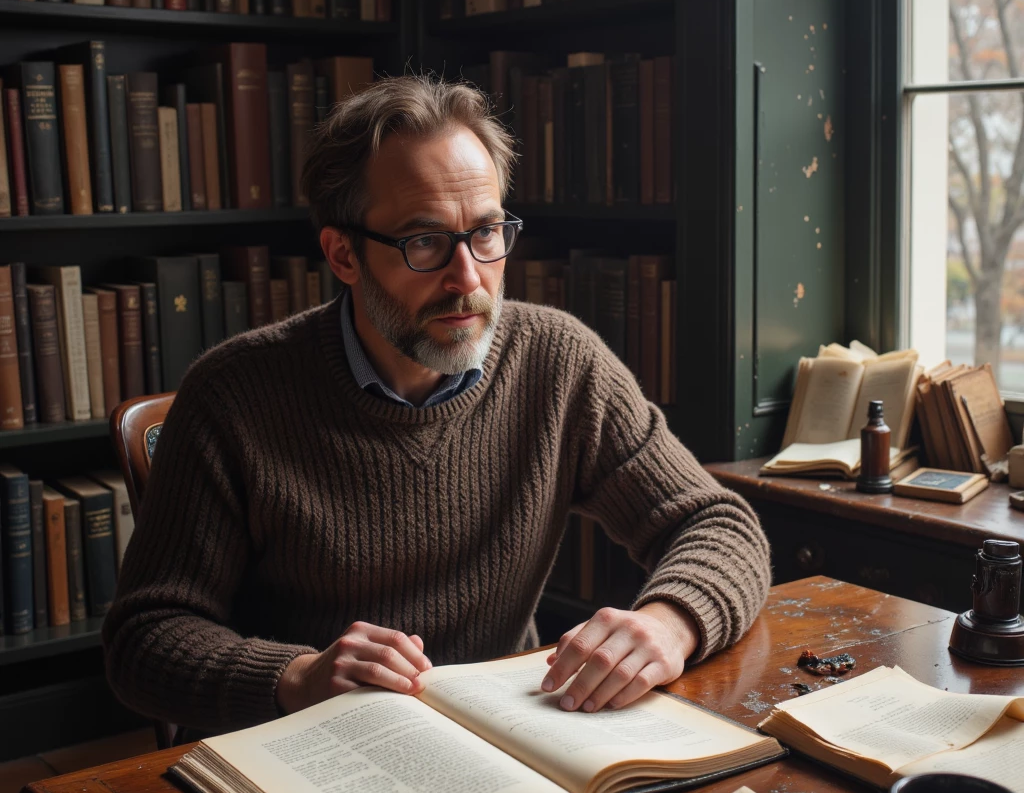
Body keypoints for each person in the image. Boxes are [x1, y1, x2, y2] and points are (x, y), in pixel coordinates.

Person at [103, 75, 770, 734]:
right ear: (343, 255)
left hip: (510, 736)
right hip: (307, 751)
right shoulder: (233, 395)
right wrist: (296, 677)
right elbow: (144, 640)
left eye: (486, 233)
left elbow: (718, 524)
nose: (469, 279)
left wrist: (669, 622)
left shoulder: (559, 362)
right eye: (424, 242)